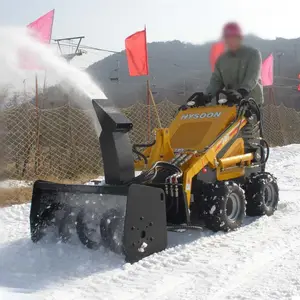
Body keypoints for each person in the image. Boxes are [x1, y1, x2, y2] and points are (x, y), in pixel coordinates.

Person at [197, 22, 263, 106]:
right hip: (231, 102)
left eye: (233, 38)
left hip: (251, 103)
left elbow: (252, 76)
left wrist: (242, 91)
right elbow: (216, 81)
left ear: (240, 38)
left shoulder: (253, 54)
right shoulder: (221, 60)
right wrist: (207, 96)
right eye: (227, 38)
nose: (230, 41)